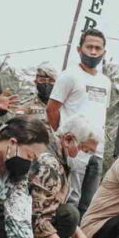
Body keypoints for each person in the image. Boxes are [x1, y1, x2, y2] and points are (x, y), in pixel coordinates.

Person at [26, 115, 101, 238]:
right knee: (69, 214)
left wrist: (77, 235)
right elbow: (40, 222)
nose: (86, 157)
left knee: (69, 215)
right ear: (68, 139)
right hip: (3, 223)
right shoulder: (49, 162)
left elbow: (51, 203)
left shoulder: (58, 155)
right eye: (84, 149)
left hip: (21, 219)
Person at [47, 28, 111, 216]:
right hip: (74, 150)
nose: (93, 52)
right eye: (89, 46)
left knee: (88, 201)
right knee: (70, 198)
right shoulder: (69, 75)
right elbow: (51, 109)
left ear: (104, 52)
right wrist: (64, 139)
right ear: (79, 49)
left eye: (97, 48)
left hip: (96, 149)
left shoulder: (105, 81)